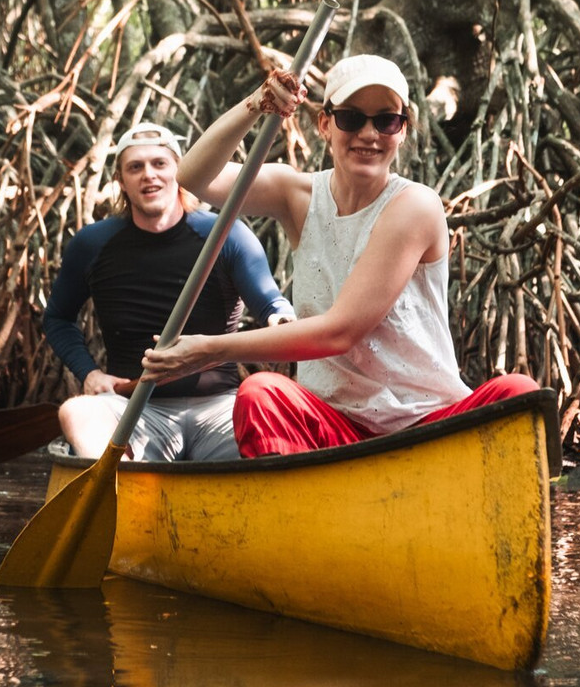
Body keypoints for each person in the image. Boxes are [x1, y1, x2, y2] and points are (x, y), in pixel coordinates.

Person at [140, 55, 539, 457]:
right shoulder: (295, 195)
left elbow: (341, 331)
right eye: (351, 118)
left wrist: (210, 350)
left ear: (402, 131)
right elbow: (193, 176)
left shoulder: (415, 205)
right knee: (261, 393)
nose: (369, 134)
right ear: (325, 124)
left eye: (386, 121)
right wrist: (256, 104)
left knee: (519, 392)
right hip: (335, 430)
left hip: (430, 427)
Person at [43, 122, 295, 460]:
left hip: (221, 408)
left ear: (180, 172)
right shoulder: (92, 243)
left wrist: (281, 319)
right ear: (121, 181)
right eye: (136, 167)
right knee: (76, 412)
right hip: (133, 410)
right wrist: (89, 373)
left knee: (274, 419)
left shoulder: (226, 234)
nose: (149, 175)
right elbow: (58, 318)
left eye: (159, 164)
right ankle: (118, 484)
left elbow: (271, 304)